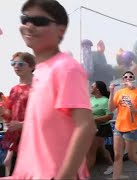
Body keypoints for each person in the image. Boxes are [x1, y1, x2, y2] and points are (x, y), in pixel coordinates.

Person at [9, 0, 96, 179]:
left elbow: (86, 126)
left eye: (39, 21)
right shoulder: (41, 71)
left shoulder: (66, 68)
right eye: (25, 19)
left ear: (61, 30)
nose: (29, 26)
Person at [108, 71, 137, 180]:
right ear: (123, 80)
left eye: (131, 77)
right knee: (117, 156)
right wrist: (111, 92)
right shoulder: (119, 92)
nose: (128, 78)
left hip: (132, 129)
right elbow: (111, 109)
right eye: (125, 77)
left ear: (134, 79)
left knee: (132, 155)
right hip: (119, 127)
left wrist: (134, 110)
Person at [0, 52, 35, 176]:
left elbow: (46, 116)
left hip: (36, 139)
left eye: (20, 63)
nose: (16, 66)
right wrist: (2, 111)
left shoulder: (39, 87)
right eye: (13, 63)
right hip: (17, 140)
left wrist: (22, 124)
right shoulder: (14, 89)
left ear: (31, 66)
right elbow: (9, 115)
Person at [87, 81, 114, 175]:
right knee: (102, 149)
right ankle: (112, 165)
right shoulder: (91, 99)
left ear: (97, 89)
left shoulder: (105, 100)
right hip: (91, 127)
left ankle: (84, 175)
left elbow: (110, 116)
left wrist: (94, 120)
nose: (90, 87)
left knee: (91, 151)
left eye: (92, 86)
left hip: (101, 128)